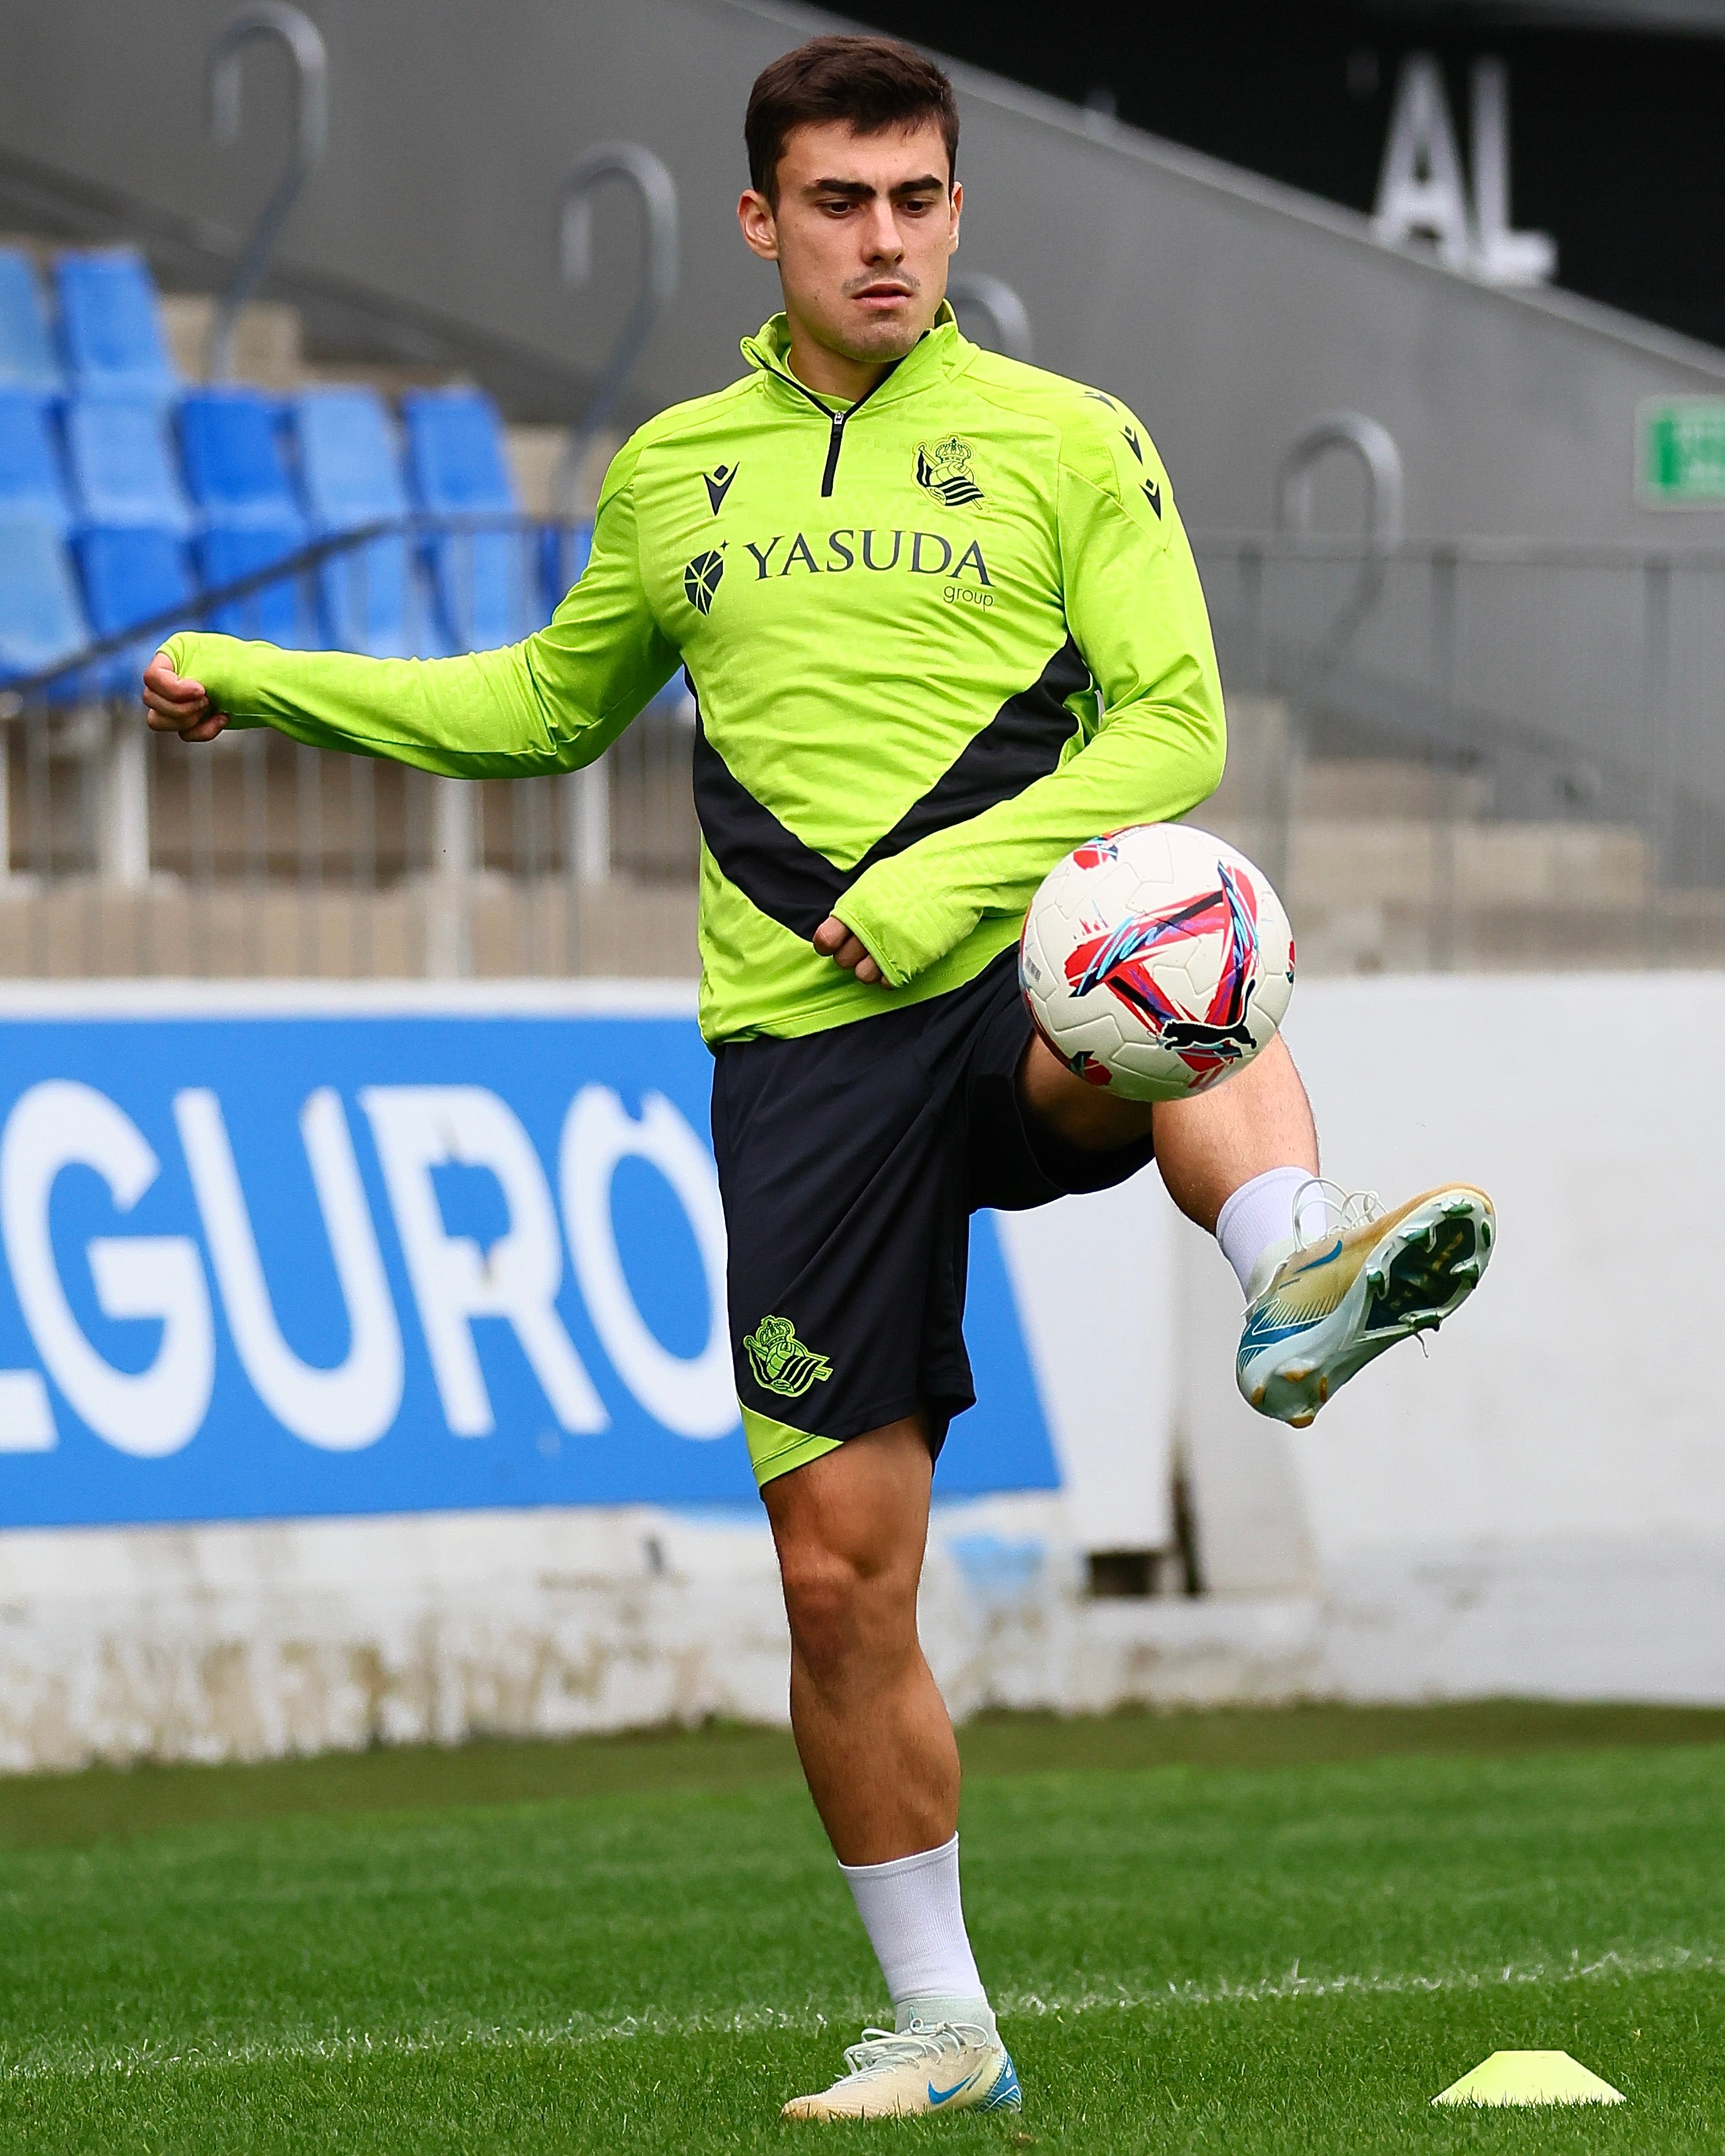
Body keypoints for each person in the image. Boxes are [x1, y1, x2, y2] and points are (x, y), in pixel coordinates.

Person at [142, 33, 1494, 2122]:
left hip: (1022, 975)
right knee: (835, 1576)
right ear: (763, 218)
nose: (886, 239)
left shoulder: (1066, 441)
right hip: (801, 1051)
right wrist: (254, 674)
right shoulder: (675, 465)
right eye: (842, 204)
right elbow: (537, 706)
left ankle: (1296, 1266)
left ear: (960, 210)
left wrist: (951, 882)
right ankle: (940, 2024)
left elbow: (1169, 723)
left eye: (919, 199)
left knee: (1175, 934)